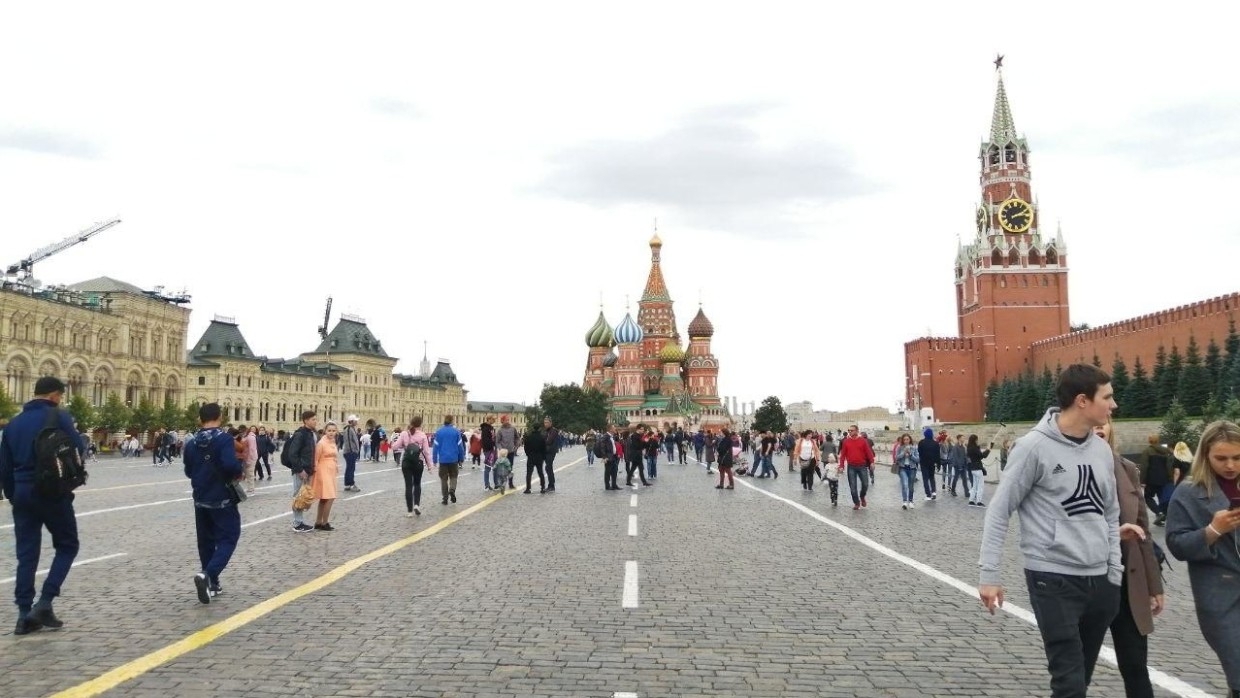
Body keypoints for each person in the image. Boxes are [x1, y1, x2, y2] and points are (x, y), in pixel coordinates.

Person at [978, 364, 1122, 698]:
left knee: (1081, 676)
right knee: (1068, 679)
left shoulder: (1101, 449)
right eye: (1108, 397)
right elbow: (1000, 510)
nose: (1113, 406)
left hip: (1100, 581)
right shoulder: (1032, 447)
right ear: (1083, 401)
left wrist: (1113, 573)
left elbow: (1111, 512)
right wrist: (989, 574)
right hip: (1052, 578)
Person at [0, 377, 84, 635]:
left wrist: (14, 495)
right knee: (68, 544)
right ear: (55, 395)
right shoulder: (58, 416)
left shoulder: (13, 424)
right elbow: (77, 447)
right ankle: (45, 602)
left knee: (26, 554)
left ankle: (24, 613)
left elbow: (4, 466)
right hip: (51, 492)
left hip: (22, 493)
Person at [1165, 420, 1240, 698]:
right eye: (1222, 458)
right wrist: (1213, 530)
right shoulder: (1188, 492)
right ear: (1205, 455)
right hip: (1220, 595)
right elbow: (1176, 544)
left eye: (1237, 457)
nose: (1230, 465)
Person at [1096, 417, 1164, 698]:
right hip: (1089, 581)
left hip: (1127, 580)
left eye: (1104, 422)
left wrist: (1154, 585)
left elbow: (1143, 531)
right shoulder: (1065, 471)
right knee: (1077, 669)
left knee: (1136, 666)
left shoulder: (1127, 469)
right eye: (1092, 422)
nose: (1099, 427)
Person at [183, 402, 243, 604]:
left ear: (200, 419)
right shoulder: (224, 439)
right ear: (219, 418)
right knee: (229, 537)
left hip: (200, 498)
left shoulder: (191, 443)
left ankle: (213, 583)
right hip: (221, 498)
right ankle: (208, 574)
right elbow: (230, 464)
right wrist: (237, 471)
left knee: (206, 540)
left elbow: (188, 470)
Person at [393, 417, 434, 516]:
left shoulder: (404, 433)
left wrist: (403, 445)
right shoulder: (423, 435)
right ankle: (416, 505)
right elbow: (426, 452)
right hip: (418, 462)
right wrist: (430, 466)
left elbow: (394, 447)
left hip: (406, 462)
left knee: (408, 486)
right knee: (417, 484)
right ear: (420, 424)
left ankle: (409, 511)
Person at [286, 410, 318, 533]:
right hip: (301, 471)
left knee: (303, 496)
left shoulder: (310, 434)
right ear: (306, 421)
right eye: (313, 419)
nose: (315, 421)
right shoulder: (301, 434)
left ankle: (300, 521)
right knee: (298, 496)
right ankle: (297, 523)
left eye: (316, 419)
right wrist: (300, 470)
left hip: (308, 470)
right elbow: (292, 454)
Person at [839, 424, 874, 510]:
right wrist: (841, 466)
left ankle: (862, 496)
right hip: (851, 467)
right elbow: (842, 455)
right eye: (849, 430)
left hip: (862, 465)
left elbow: (868, 452)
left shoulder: (863, 441)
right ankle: (856, 503)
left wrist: (872, 462)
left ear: (857, 431)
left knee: (865, 484)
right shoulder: (846, 442)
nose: (850, 432)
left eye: (852, 430)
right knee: (853, 487)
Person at [313, 422, 340, 530]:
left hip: (331, 471)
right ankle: (325, 522)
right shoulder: (321, 443)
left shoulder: (333, 442)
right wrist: (315, 473)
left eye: (333, 431)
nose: (331, 433)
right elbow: (316, 458)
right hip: (323, 471)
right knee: (330, 497)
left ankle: (318, 522)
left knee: (324, 498)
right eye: (329, 430)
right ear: (325, 431)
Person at [433, 415, 464, 505]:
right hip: (453, 459)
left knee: (443, 479)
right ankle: (452, 490)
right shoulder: (456, 432)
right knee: (454, 476)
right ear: (452, 421)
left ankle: (445, 498)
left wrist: (434, 459)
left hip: (443, 459)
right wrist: (461, 458)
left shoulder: (439, 432)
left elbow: (435, 447)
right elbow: (460, 447)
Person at [894, 433, 919, 509]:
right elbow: (896, 458)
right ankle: (904, 501)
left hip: (912, 468)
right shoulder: (900, 447)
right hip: (903, 468)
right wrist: (903, 453)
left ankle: (911, 501)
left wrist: (911, 455)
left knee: (911, 486)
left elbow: (918, 460)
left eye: (907, 439)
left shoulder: (914, 448)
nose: (906, 441)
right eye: (904, 439)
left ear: (910, 440)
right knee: (904, 485)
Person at [495, 415, 520, 489]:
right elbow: (497, 441)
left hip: (511, 451)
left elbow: (517, 437)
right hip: (503, 453)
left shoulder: (513, 429)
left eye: (508, 420)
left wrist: (516, 445)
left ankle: (511, 483)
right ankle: (502, 483)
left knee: (510, 468)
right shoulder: (500, 430)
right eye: (506, 420)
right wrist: (500, 449)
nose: (507, 421)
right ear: (502, 421)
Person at [966, 435, 990, 507]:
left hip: (973, 469)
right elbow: (982, 456)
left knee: (975, 486)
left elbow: (978, 457)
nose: (977, 441)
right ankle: (979, 502)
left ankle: (971, 500)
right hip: (978, 469)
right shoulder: (974, 448)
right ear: (975, 440)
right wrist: (988, 450)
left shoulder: (969, 448)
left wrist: (986, 449)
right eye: (977, 439)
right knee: (980, 486)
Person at [522, 422, 547, 494]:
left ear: (533, 428)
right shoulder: (542, 437)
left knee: (529, 473)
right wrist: (543, 457)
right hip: (539, 457)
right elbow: (544, 448)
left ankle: (528, 488)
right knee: (540, 472)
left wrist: (528, 454)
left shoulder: (529, 437)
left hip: (531, 456)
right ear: (539, 428)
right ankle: (542, 487)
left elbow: (525, 447)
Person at [917, 427, 940, 501]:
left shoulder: (921, 442)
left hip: (924, 463)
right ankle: (933, 492)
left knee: (925, 479)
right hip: (932, 463)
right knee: (932, 477)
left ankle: (928, 494)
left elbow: (919, 453)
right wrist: (938, 464)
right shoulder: (936, 443)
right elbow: (937, 455)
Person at [341, 415, 362, 493]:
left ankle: (347, 484)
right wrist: (354, 451)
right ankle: (352, 484)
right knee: (351, 469)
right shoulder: (349, 429)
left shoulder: (351, 429)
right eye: (355, 420)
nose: (357, 422)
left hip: (350, 452)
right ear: (352, 421)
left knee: (349, 468)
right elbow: (349, 441)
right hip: (350, 452)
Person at [543, 417, 560, 492]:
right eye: (544, 422)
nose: (545, 424)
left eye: (547, 422)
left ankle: (551, 485)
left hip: (551, 451)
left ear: (550, 423)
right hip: (546, 451)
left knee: (548, 467)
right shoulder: (547, 431)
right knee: (548, 468)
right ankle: (551, 485)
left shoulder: (553, 431)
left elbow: (549, 441)